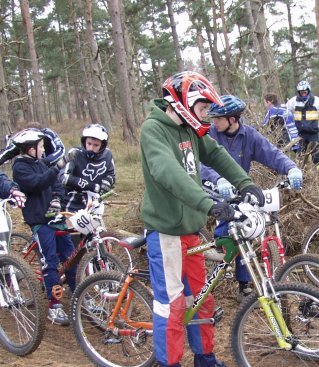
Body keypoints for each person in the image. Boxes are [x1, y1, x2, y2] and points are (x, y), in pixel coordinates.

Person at [140, 71, 265, 367]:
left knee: (200, 298)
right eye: (202, 108)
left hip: (191, 230)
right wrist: (209, 204)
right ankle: (168, 362)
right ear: (183, 103)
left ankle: (205, 358)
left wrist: (245, 182)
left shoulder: (191, 130)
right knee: (171, 305)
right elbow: (167, 172)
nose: (206, 114)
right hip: (165, 230)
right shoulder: (154, 130)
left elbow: (217, 154)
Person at [202, 94, 303, 302]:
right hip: (211, 188)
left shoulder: (249, 136)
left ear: (233, 119)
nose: (214, 122)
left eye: (218, 118)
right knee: (226, 231)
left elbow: (272, 154)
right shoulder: (209, 135)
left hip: (238, 190)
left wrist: (291, 168)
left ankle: (243, 284)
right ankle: (215, 258)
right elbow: (199, 165)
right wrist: (218, 180)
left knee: (244, 229)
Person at [11, 128, 74, 326]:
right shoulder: (20, 168)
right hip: (39, 221)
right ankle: (54, 307)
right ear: (30, 149)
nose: (43, 149)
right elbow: (38, 183)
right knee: (50, 261)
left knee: (71, 257)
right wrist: (57, 166)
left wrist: (57, 198)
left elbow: (55, 183)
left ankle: (81, 297)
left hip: (54, 217)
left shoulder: (40, 162)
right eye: (40, 146)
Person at [61, 123, 115, 212]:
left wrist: (107, 182)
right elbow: (63, 177)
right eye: (89, 143)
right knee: (71, 225)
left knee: (96, 225)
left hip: (95, 201)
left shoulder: (107, 155)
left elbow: (111, 174)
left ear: (102, 145)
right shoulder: (74, 153)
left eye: (96, 145)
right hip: (72, 200)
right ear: (84, 141)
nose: (91, 148)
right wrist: (90, 186)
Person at [286, 80, 319, 164]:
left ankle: (318, 173)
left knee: (316, 156)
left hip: (313, 133)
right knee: (300, 156)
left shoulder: (317, 101)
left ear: (308, 91)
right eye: (301, 92)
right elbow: (286, 111)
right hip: (300, 134)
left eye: (305, 92)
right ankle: (302, 173)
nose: (303, 93)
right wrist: (291, 123)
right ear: (299, 92)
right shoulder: (293, 101)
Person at [0, 122, 65, 167]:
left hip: (53, 167)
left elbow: (61, 149)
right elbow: (7, 153)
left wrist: (46, 161)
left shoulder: (49, 134)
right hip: (32, 170)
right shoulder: (23, 140)